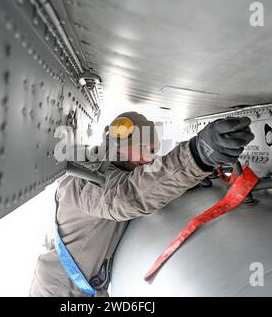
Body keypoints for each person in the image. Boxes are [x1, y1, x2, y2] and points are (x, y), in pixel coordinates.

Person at [30, 112, 254, 297]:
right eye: (146, 149)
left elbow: (145, 181)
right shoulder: (84, 177)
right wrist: (197, 155)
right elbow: (127, 195)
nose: (150, 159)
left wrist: (187, 180)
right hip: (58, 291)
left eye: (154, 153)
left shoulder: (109, 166)